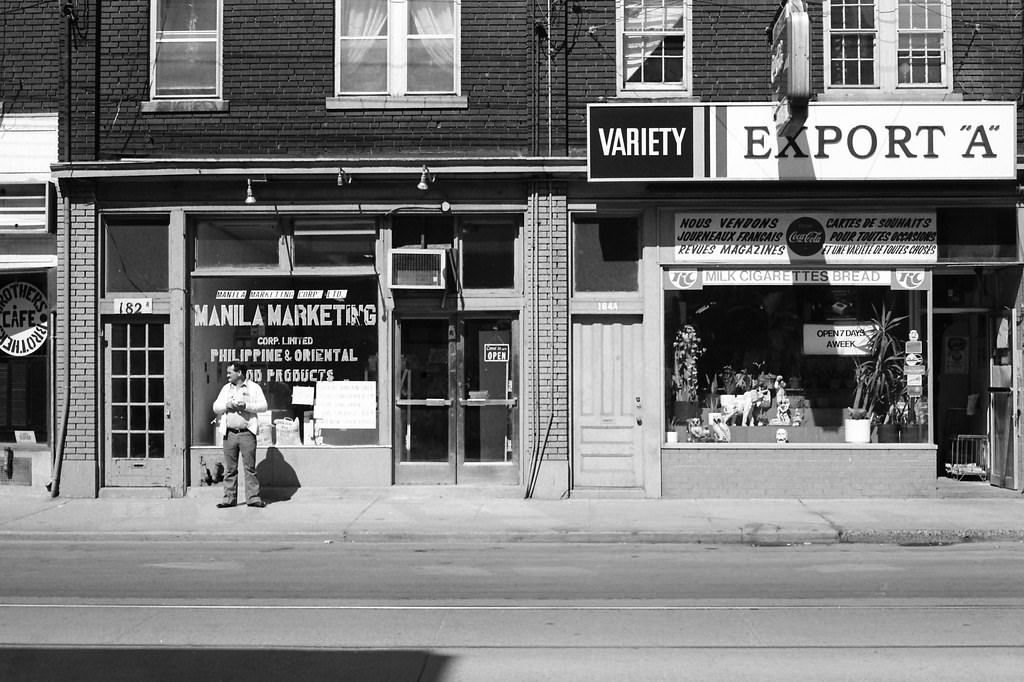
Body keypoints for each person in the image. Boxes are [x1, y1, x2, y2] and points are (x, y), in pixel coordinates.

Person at [212, 362, 268, 508]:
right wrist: (227, 406)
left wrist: (246, 406)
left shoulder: (254, 388)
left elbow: (263, 406)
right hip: (229, 434)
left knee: (250, 468)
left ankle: (253, 498)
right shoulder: (226, 389)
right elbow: (215, 407)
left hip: (247, 434)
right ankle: (229, 499)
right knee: (230, 469)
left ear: (240, 373)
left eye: (230, 372)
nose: (227, 375)